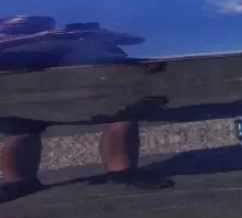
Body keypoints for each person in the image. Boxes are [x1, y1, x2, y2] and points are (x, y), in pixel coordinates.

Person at [0, 16, 173, 203]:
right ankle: (19, 182)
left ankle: (123, 171)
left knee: (122, 115)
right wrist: (42, 36)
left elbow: (136, 40)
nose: (30, 25)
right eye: (22, 23)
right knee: (21, 126)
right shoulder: (13, 38)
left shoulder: (71, 34)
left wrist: (98, 33)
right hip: (26, 82)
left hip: (95, 76)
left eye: (38, 23)